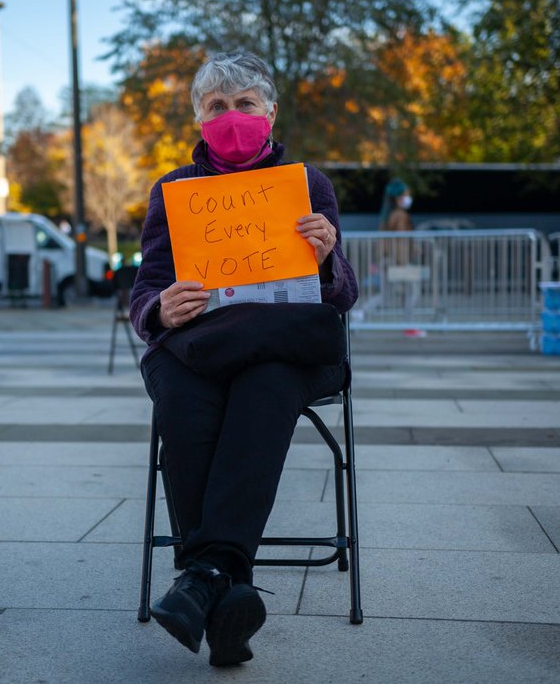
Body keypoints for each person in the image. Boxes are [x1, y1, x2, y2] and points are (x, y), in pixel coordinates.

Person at [129, 50, 358, 666]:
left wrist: (326, 256)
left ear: (271, 112)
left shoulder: (309, 185)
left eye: (246, 104)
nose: (232, 117)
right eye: (216, 107)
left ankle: (200, 576)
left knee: (266, 383)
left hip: (284, 348)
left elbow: (344, 293)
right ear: (198, 119)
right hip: (200, 344)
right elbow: (145, 288)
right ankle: (228, 590)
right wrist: (160, 308)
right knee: (180, 393)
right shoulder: (174, 190)